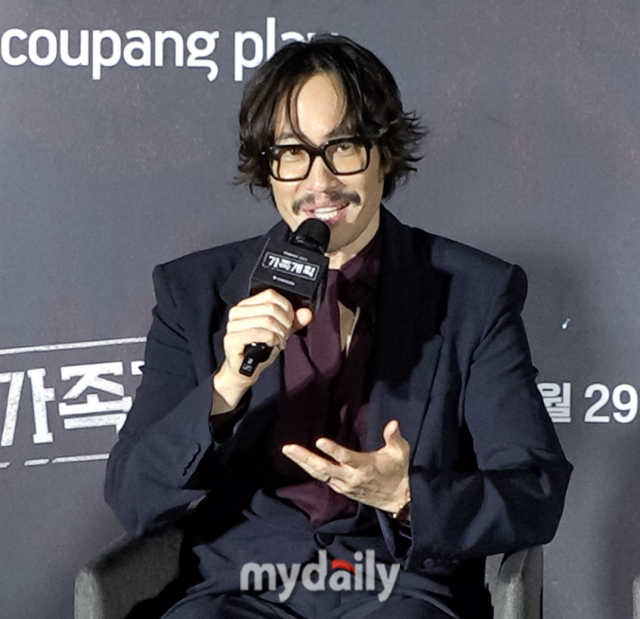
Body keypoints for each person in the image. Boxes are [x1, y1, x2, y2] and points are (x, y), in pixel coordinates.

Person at [104, 35, 572, 619]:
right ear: (268, 167)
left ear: (384, 155)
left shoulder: (474, 292)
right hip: (238, 590)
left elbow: (534, 491)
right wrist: (226, 386)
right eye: (292, 152)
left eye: (343, 147)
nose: (318, 182)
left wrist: (405, 496)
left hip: (399, 590)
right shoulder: (194, 292)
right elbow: (133, 497)